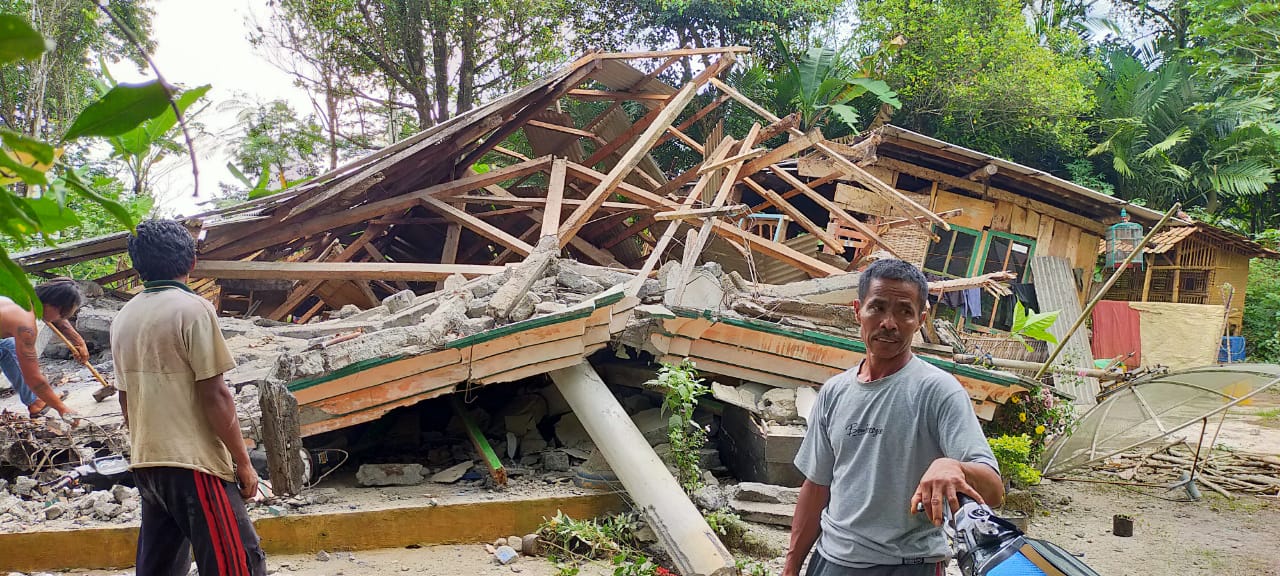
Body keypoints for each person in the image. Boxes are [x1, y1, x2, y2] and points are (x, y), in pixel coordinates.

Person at [783, 258, 1004, 576]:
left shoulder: (938, 392)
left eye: (904, 311)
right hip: (831, 561)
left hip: (907, 566)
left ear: (921, 319)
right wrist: (791, 565)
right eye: (878, 307)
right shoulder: (834, 392)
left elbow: (994, 491)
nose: (889, 322)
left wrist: (953, 466)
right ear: (857, 310)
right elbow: (816, 486)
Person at [111, 219, 266, 576]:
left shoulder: (124, 317)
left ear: (137, 267)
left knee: (160, 566)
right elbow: (215, 393)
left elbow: (125, 399)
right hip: (194, 464)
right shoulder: (193, 309)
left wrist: (144, 449)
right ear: (192, 262)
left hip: (147, 463)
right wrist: (243, 463)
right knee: (238, 563)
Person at [0, 278, 88, 418]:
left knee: (7, 346)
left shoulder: (22, 295)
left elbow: (56, 317)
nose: (59, 318)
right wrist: (62, 409)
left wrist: (78, 341)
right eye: (63, 313)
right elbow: (34, 378)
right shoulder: (25, 327)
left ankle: (35, 402)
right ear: (52, 306)